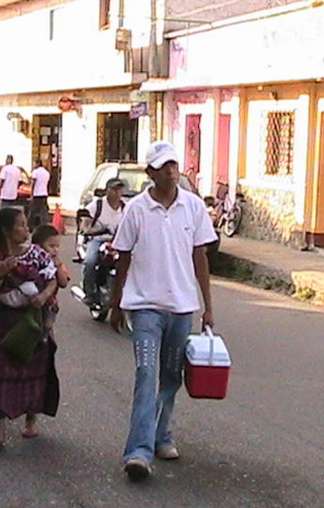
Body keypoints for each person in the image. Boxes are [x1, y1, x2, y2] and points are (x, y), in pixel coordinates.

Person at [110, 141, 217, 481]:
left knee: (171, 377)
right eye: (163, 166)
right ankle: (138, 452)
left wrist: (207, 307)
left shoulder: (193, 207)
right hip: (145, 307)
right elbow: (123, 256)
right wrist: (116, 304)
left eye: (174, 165)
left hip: (182, 307)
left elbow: (201, 257)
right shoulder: (137, 210)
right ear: (150, 173)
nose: (171, 171)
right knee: (146, 374)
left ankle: (161, 434)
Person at [0, 207, 60, 444]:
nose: (26, 229)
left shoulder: (37, 254)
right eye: (21, 224)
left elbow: (53, 279)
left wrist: (43, 297)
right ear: (6, 230)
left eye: (26, 224)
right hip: (6, 323)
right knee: (2, 374)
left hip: (34, 322)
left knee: (36, 371)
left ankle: (31, 420)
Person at [0, 222, 68, 342]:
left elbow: (63, 283)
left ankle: (43, 336)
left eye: (57, 246)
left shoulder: (55, 262)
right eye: (51, 246)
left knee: (46, 322)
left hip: (47, 303)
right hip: (13, 310)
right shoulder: (28, 258)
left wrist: (57, 267)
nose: (55, 250)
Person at [80, 177, 126, 307]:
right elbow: (85, 222)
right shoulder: (97, 205)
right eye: (114, 189)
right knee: (90, 261)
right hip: (98, 241)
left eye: (120, 189)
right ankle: (89, 293)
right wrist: (87, 229)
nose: (117, 193)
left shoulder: (125, 207)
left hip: (118, 242)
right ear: (107, 191)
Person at [28, 160, 51, 231]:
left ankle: (30, 227)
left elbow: (33, 183)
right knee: (43, 211)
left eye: (34, 163)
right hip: (44, 194)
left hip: (37, 194)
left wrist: (31, 194)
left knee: (32, 211)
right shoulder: (46, 172)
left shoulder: (36, 172)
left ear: (38, 163)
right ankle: (44, 226)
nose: (34, 165)